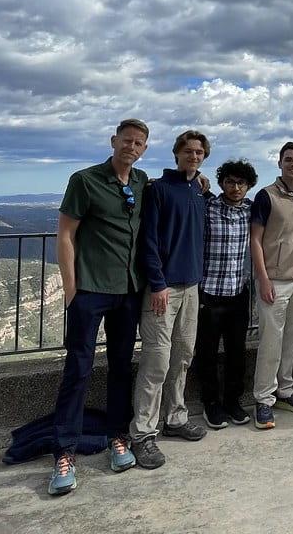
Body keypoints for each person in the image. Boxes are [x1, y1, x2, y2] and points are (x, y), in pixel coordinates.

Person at [48, 118, 150, 496]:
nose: (131, 147)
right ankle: (65, 451)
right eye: (127, 140)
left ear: (143, 149)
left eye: (139, 143)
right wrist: (71, 287)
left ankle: (116, 437)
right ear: (114, 141)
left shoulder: (141, 183)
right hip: (90, 289)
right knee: (78, 367)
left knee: (122, 367)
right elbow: (65, 233)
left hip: (128, 291)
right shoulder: (85, 180)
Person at [128, 130, 211, 470]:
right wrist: (158, 284)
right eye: (189, 151)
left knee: (182, 356)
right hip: (163, 289)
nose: (194, 156)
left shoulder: (198, 190)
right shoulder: (158, 190)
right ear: (177, 153)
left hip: (191, 287)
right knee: (156, 360)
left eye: (199, 152)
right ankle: (143, 433)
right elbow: (148, 241)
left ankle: (175, 417)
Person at [249, 142, 293, 429]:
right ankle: (263, 398)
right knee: (271, 342)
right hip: (274, 280)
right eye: (288, 160)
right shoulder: (267, 196)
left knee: (292, 340)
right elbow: (256, 240)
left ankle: (284, 390)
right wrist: (262, 278)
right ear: (279, 163)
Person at [195, 159, 258, 430]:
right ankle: (211, 404)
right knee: (207, 353)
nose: (235, 187)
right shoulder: (208, 206)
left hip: (238, 292)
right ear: (222, 183)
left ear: (248, 186)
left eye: (241, 183)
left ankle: (233, 400)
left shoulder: (252, 211)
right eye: (230, 182)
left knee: (236, 352)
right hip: (209, 292)